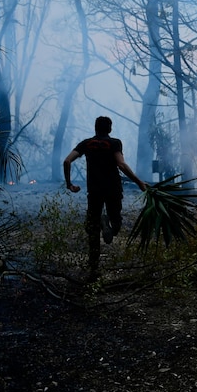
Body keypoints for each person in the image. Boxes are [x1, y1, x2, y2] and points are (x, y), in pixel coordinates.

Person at [63, 116, 147, 277]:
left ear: (95, 128)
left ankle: (93, 267)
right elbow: (121, 164)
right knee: (116, 223)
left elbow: (67, 161)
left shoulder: (86, 144)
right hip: (113, 189)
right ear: (109, 129)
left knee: (92, 229)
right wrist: (138, 182)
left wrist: (69, 184)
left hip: (94, 191)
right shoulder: (115, 143)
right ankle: (107, 222)